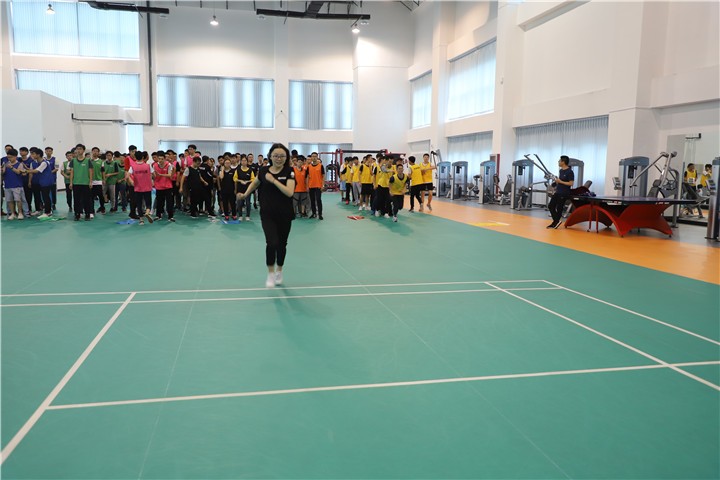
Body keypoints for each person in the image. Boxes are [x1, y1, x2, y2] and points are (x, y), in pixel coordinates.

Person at [238, 143, 296, 288]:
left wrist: (274, 180)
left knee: (282, 244)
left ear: (286, 157)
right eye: (276, 155)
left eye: (282, 156)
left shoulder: (289, 171)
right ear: (270, 156)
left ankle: (279, 270)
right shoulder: (263, 170)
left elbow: (289, 192)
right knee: (272, 243)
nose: (279, 158)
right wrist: (245, 194)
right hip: (267, 214)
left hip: (285, 214)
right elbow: (255, 183)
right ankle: (270, 273)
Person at [547, 155, 574, 229]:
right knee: (551, 206)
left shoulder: (570, 172)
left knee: (559, 208)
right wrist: (556, 182)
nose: (558, 162)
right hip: (558, 191)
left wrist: (560, 181)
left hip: (564, 192)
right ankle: (556, 221)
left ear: (563, 162)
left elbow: (571, 183)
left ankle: (555, 222)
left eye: (559, 161)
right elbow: (560, 181)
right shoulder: (561, 171)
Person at [68, 144, 94, 221]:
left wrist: (90, 182)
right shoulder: (73, 161)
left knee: (86, 200)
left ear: (83, 150)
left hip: (85, 183)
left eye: (80, 149)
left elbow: (90, 171)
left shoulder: (88, 160)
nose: (78, 150)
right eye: (77, 149)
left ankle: (87, 214)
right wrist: (71, 182)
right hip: (76, 183)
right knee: (76, 200)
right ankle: (77, 214)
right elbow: (72, 172)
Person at [128, 151, 154, 225]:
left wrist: (131, 182)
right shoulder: (148, 166)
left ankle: (141, 220)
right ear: (143, 157)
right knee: (148, 203)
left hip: (137, 188)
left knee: (139, 204)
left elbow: (127, 176)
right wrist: (151, 180)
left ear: (135, 157)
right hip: (147, 187)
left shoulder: (132, 166)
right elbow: (154, 174)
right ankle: (147, 212)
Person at [2, 149, 25, 219]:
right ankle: (13, 213)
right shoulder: (5, 164)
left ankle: (20, 213)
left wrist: (12, 167)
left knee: (18, 200)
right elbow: (3, 172)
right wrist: (2, 169)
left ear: (15, 156)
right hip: (8, 185)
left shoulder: (19, 164)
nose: (9, 159)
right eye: (8, 157)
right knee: (10, 200)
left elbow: (18, 172)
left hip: (16, 185)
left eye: (11, 157)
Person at [153, 151, 175, 222]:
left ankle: (170, 217)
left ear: (165, 159)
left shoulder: (168, 165)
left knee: (169, 202)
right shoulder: (154, 165)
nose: (160, 160)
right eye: (159, 159)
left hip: (168, 186)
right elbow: (154, 175)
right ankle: (158, 215)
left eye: (162, 159)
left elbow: (169, 174)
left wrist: (161, 175)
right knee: (159, 202)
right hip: (159, 186)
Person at [234, 155, 255, 221]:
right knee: (239, 203)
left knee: (248, 203)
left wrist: (247, 181)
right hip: (240, 189)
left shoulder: (250, 170)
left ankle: (247, 216)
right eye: (242, 161)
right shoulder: (238, 170)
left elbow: (253, 179)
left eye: (245, 160)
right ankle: (240, 215)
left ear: (247, 161)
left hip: (248, 189)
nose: (243, 162)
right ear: (240, 162)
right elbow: (234, 178)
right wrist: (240, 181)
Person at [307, 152, 324, 220]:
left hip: (318, 186)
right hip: (311, 186)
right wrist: (307, 186)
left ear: (317, 157)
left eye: (315, 156)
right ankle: (314, 213)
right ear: (311, 157)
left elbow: (323, 176)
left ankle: (320, 214)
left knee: (318, 199)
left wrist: (322, 185)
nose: (314, 157)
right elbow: (307, 177)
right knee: (312, 200)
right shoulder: (309, 166)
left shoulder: (320, 166)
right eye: (312, 156)